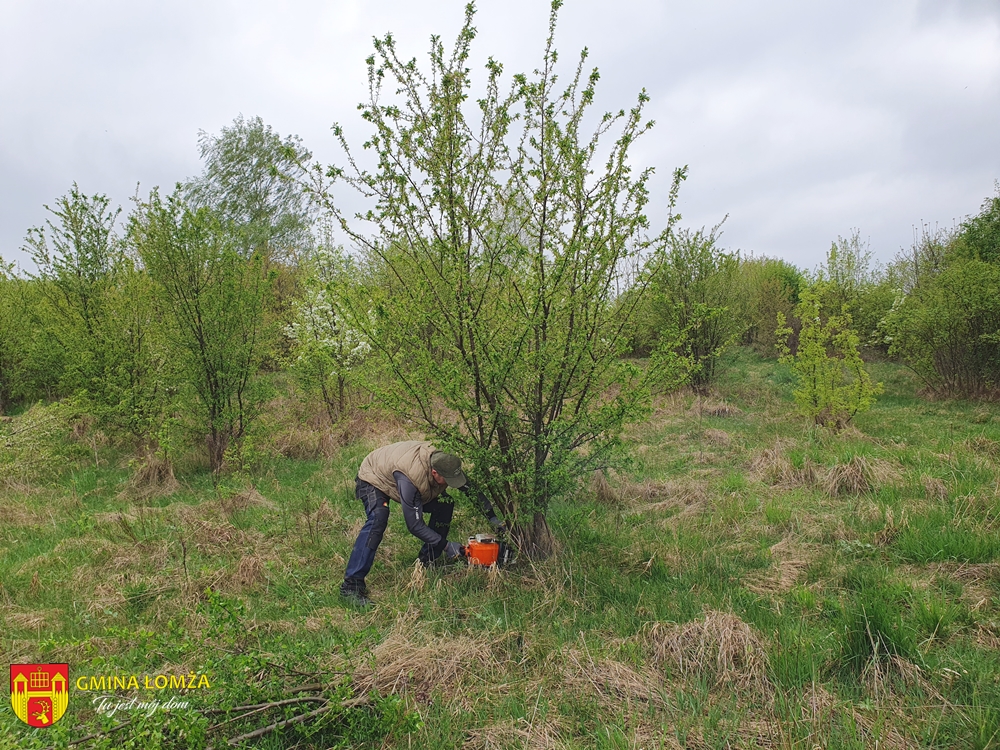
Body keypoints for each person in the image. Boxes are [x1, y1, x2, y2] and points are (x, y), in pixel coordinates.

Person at [340, 440, 504, 607]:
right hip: (374, 476)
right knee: (378, 518)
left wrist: (493, 519)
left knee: (445, 504)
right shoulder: (411, 479)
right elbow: (414, 525)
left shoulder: (447, 465)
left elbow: (472, 490)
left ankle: (428, 560)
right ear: (434, 472)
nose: (450, 483)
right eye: (447, 480)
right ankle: (351, 585)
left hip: (402, 471)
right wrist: (447, 546)